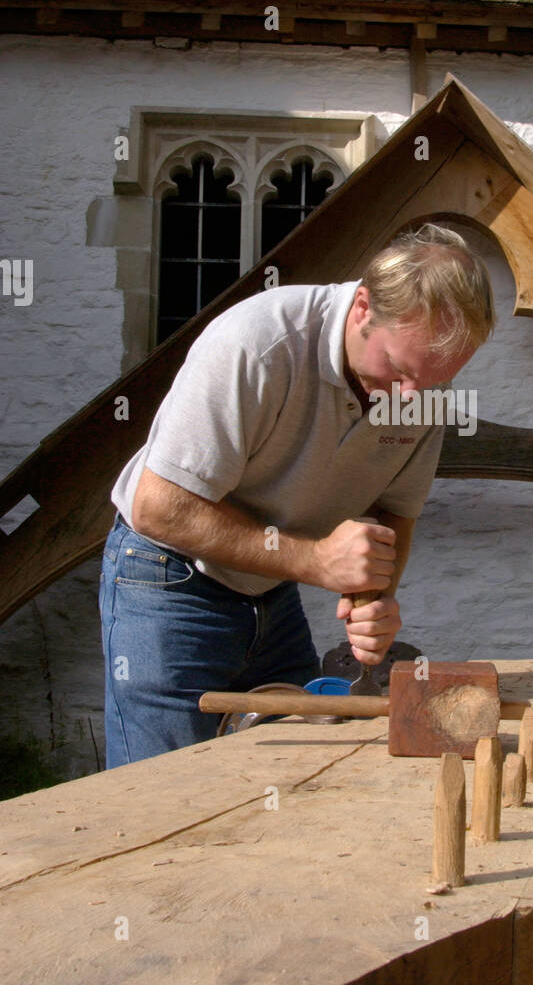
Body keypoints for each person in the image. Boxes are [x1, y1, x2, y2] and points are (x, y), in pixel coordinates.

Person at [99, 222, 495, 767]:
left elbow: (394, 514)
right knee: (161, 790)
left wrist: (372, 602)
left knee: (292, 771)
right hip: (168, 578)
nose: (412, 398)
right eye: (400, 371)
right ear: (362, 308)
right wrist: (315, 560)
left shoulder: (422, 386)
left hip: (271, 588)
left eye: (431, 383)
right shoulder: (258, 344)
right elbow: (158, 507)